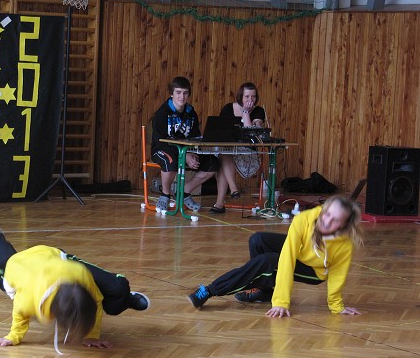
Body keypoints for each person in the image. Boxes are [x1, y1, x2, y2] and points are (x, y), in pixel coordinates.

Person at [187, 195, 363, 317]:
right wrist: (280, 299)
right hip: (299, 255)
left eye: (335, 220)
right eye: (327, 214)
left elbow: (338, 275)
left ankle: (210, 291)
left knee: (267, 262)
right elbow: (288, 257)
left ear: (344, 225)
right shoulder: (305, 218)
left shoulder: (344, 244)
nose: (327, 221)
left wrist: (336, 306)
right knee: (258, 240)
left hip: (315, 271)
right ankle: (264, 291)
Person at [0, 228, 150, 352]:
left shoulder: (78, 273)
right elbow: (20, 317)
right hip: (17, 265)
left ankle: (128, 299)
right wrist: (12, 337)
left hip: (52, 257)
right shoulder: (27, 299)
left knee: (118, 289)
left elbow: (97, 301)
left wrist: (92, 334)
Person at [151, 76, 219, 212]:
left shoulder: (191, 113)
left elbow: (195, 137)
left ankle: (184, 192)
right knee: (171, 162)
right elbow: (162, 141)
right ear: (171, 93)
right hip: (162, 149)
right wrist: (185, 154)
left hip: (187, 151)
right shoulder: (162, 113)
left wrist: (192, 152)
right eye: (178, 92)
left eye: (185, 93)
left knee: (213, 163)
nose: (182, 97)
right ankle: (165, 195)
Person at [211, 82, 267, 213]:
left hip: (248, 155)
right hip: (229, 150)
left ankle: (222, 201)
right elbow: (221, 131)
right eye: (247, 96)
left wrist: (246, 112)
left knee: (224, 159)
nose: (250, 100)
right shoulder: (228, 109)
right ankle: (232, 190)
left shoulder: (259, 111)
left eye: (253, 97)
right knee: (224, 155)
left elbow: (250, 134)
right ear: (240, 96)